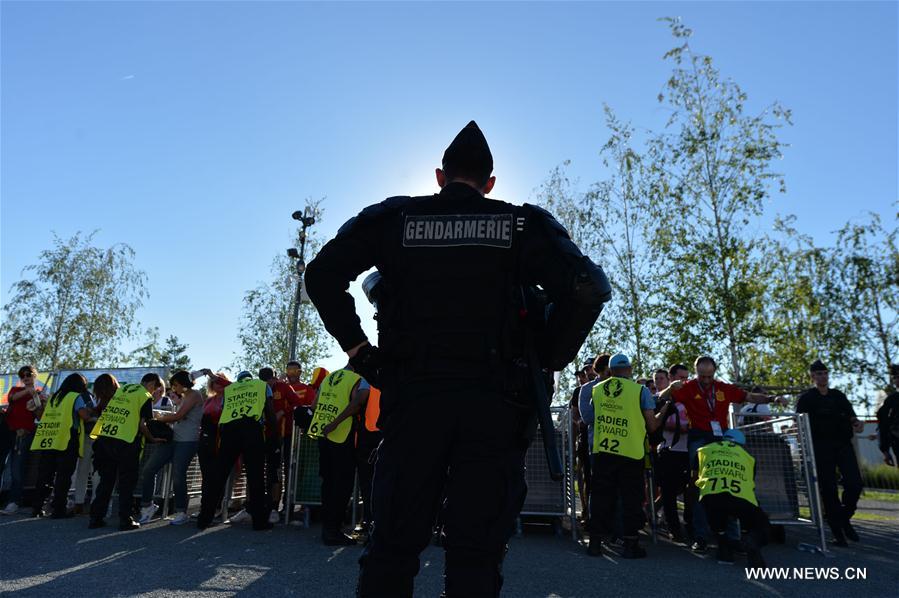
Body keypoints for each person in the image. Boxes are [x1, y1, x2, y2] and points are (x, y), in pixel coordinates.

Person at [305, 120, 611, 597]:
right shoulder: (520, 225)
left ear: (439, 177)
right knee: (476, 553)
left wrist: (360, 352)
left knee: (392, 546)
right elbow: (588, 287)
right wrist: (550, 355)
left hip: (413, 402)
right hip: (494, 409)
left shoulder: (395, 220)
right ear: (490, 185)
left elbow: (322, 273)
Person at [657, 355, 782, 553]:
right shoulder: (688, 387)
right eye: (702, 376)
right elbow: (661, 397)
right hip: (698, 439)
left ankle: (733, 537)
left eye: (709, 376)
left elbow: (749, 396)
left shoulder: (723, 388)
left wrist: (772, 399)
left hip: (721, 440)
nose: (706, 380)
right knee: (700, 486)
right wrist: (671, 387)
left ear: (714, 372)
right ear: (696, 372)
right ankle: (700, 536)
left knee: (730, 486)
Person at [584, 354, 670, 558]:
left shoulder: (597, 390)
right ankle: (630, 545)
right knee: (631, 499)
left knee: (600, 497)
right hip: (631, 452)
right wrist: (665, 407)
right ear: (630, 369)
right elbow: (652, 425)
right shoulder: (640, 391)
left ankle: (595, 542)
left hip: (603, 450)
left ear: (610, 370)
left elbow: (593, 417)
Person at [196, 371, 277, 531]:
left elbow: (225, 409)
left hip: (229, 431)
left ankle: (204, 519)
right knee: (255, 477)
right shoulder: (261, 385)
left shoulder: (231, 389)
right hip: (252, 430)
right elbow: (269, 411)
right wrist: (273, 435)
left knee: (218, 476)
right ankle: (259, 522)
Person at [796, 359, 864, 546]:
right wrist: (804, 451)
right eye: (819, 373)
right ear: (812, 376)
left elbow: (852, 416)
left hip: (843, 445)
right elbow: (799, 424)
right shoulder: (807, 398)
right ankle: (837, 532)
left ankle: (844, 517)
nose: (823, 376)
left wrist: (857, 423)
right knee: (828, 489)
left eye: (825, 373)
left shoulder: (838, 396)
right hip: (820, 447)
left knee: (855, 483)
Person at [89, 373, 164, 530]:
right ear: (151, 385)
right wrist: (152, 438)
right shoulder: (144, 395)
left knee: (106, 482)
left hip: (105, 439)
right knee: (126, 483)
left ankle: (96, 518)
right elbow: (142, 424)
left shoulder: (123, 391)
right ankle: (125, 520)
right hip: (126, 442)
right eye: (155, 389)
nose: (154, 393)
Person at [308, 366, 371, 545]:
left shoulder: (329, 378)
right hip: (341, 435)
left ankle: (328, 527)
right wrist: (336, 422)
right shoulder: (356, 378)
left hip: (323, 434)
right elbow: (356, 403)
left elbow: (314, 405)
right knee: (342, 484)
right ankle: (333, 531)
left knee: (328, 482)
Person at [138, 370, 203, 525]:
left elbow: (178, 416)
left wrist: (156, 417)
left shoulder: (194, 394)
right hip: (174, 438)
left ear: (182, 384)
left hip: (187, 440)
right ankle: (147, 506)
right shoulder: (184, 396)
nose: (173, 389)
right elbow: (176, 417)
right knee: (148, 469)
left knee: (178, 474)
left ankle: (181, 511)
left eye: (175, 385)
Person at [696, 429, 768, 566]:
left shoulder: (704, 450)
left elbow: (695, 476)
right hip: (741, 497)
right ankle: (751, 540)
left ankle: (724, 549)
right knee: (759, 522)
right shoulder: (748, 457)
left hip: (712, 496)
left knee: (717, 521)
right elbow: (750, 483)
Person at [30, 372, 93, 518]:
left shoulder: (53, 397)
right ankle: (59, 509)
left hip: (50, 438)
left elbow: (42, 415)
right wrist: (92, 412)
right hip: (67, 440)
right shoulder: (75, 397)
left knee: (45, 475)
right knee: (63, 476)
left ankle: (37, 508)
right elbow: (84, 416)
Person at [259, 366, 302, 523]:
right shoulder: (259, 388)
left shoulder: (283, 387)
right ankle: (260, 506)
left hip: (284, 435)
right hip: (266, 435)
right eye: (264, 382)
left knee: (281, 471)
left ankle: (279, 508)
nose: (268, 385)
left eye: (269, 381)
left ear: (274, 378)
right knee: (268, 470)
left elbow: (297, 402)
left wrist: (283, 411)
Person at [654, 365, 691, 543]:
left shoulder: (691, 398)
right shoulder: (663, 399)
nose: (684, 381)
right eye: (681, 377)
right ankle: (674, 530)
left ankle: (691, 527)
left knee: (689, 491)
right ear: (671, 377)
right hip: (669, 451)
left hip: (688, 452)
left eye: (687, 377)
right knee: (668, 493)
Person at [1, 366, 44, 515]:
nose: (25, 377)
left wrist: (37, 401)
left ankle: (14, 501)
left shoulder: (38, 395)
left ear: (34, 376)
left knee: (17, 468)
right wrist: (29, 391)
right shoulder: (15, 390)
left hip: (24, 434)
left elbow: (40, 416)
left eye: (29, 375)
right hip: (7, 433)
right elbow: (12, 398)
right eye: (23, 375)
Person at [876, 364, 899, 467]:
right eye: (895, 377)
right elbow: (883, 426)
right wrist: (885, 450)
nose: (897, 380)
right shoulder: (891, 401)